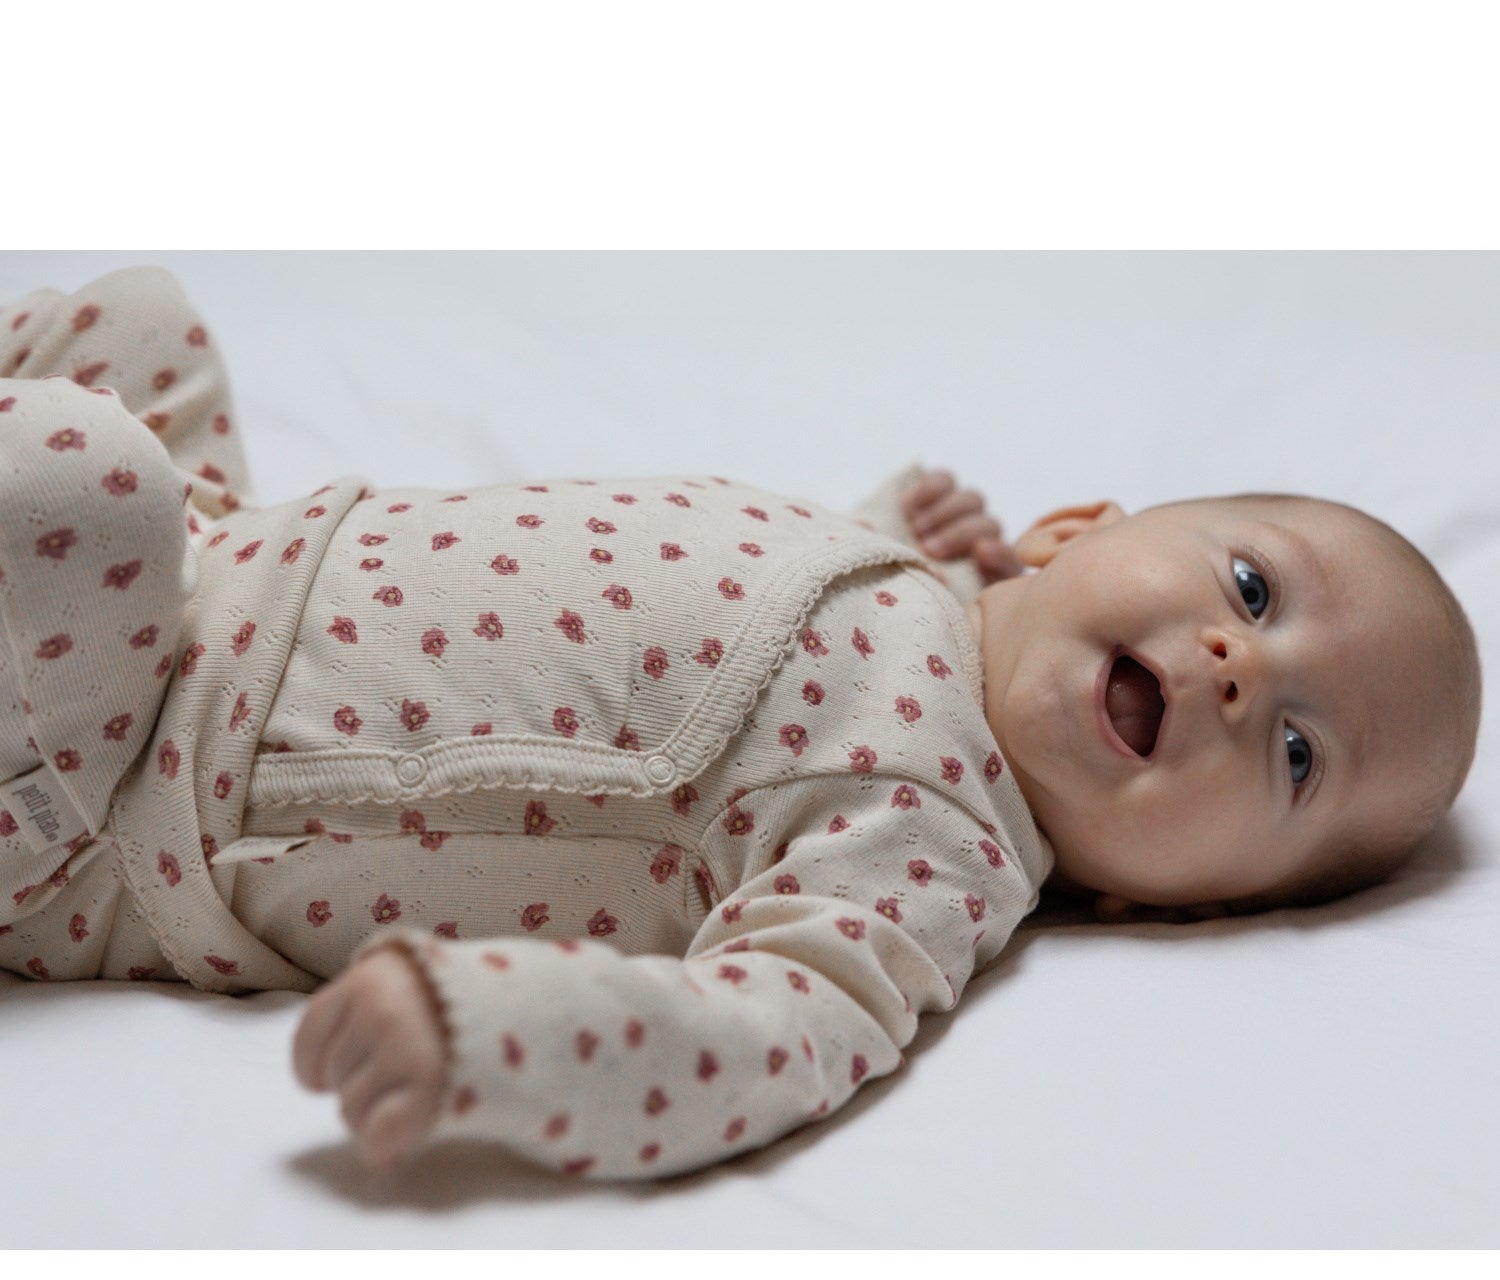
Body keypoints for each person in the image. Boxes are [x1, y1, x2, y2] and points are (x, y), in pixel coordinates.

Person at [0, 265, 1481, 1181]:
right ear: (1077, 529)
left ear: (1186, 907)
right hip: (214, 553)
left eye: (1299, 755)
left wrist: (507, 1030)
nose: (1240, 668)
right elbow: (747, 624)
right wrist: (895, 526)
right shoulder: (910, 585)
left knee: (78, 474)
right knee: (133, 323)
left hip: (119, 785)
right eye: (1252, 586)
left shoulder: (934, 855)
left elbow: (762, 1037)